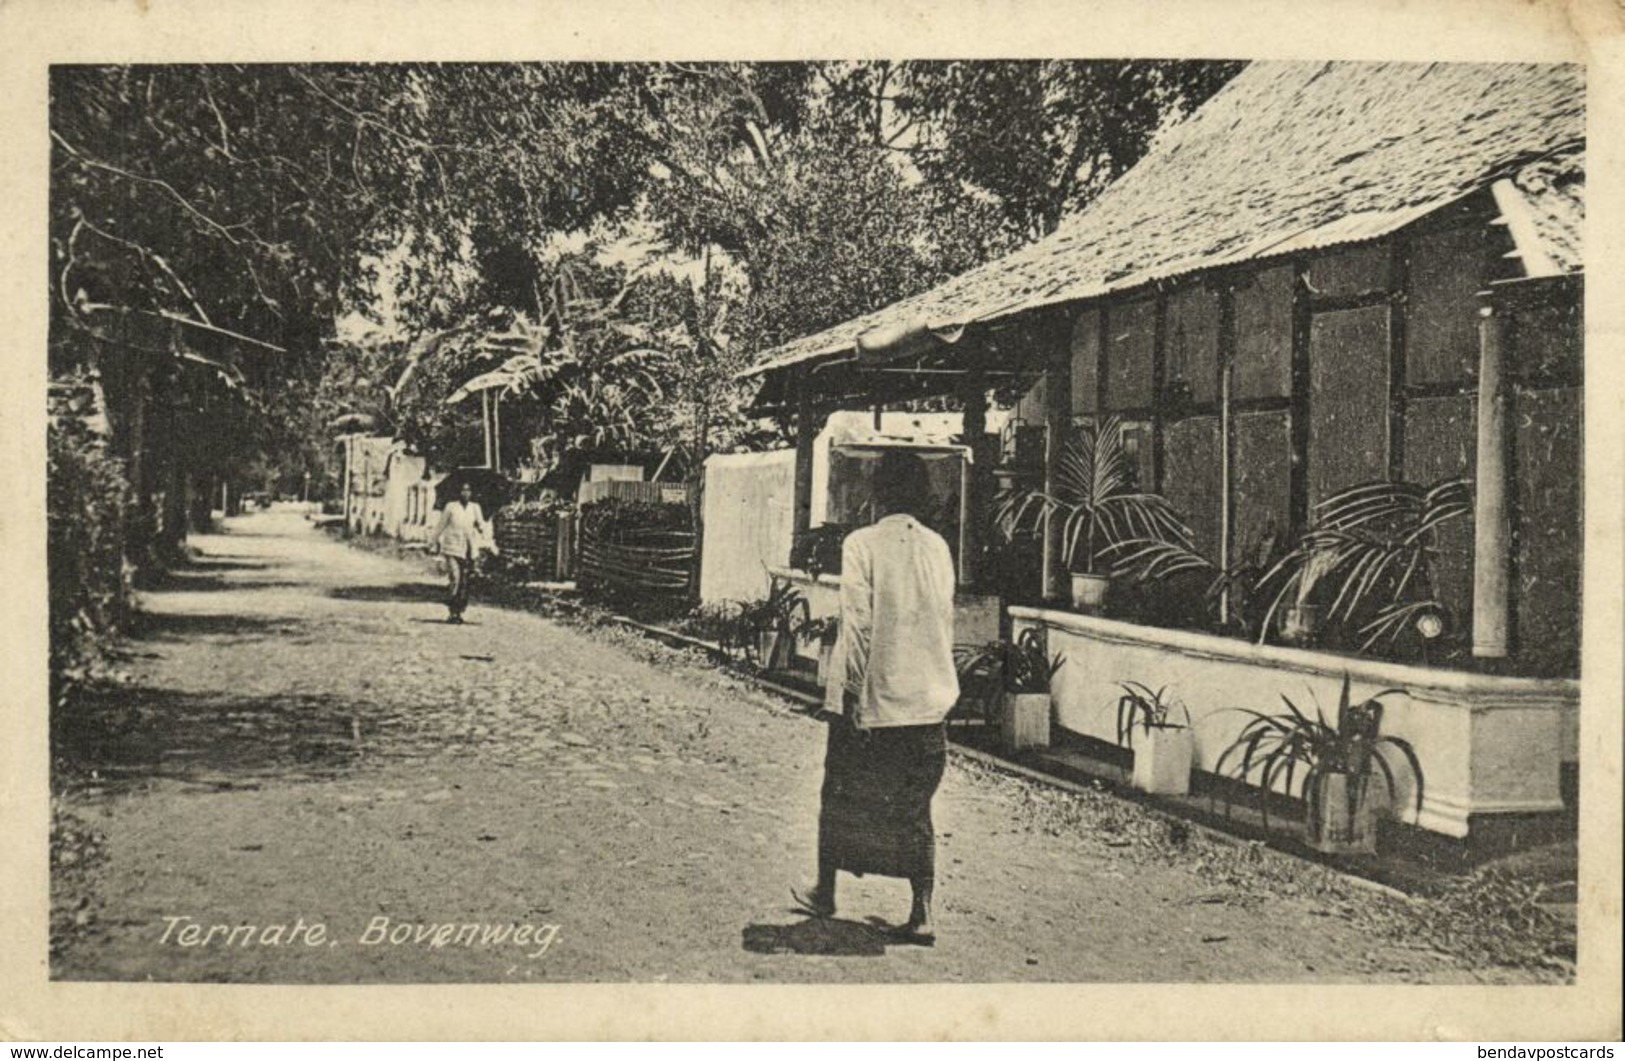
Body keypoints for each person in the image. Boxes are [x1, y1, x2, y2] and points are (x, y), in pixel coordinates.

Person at [795, 449, 959, 944]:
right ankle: (922, 912)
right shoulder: (938, 548)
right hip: (928, 700)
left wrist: (850, 697)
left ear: (878, 492)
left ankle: (826, 891)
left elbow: (860, 626)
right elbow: (942, 620)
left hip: (876, 697)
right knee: (915, 809)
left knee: (839, 792)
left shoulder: (861, 544)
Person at [431, 481, 493, 624]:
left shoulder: (475, 508)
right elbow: (441, 525)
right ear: (457, 492)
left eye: (468, 490)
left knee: (465, 582)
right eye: (463, 490)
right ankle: (452, 612)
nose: (465, 493)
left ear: (472, 493)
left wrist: (487, 538)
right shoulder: (451, 507)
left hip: (468, 549)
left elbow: (481, 524)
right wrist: (432, 542)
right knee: (456, 578)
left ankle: (459, 611)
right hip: (451, 548)